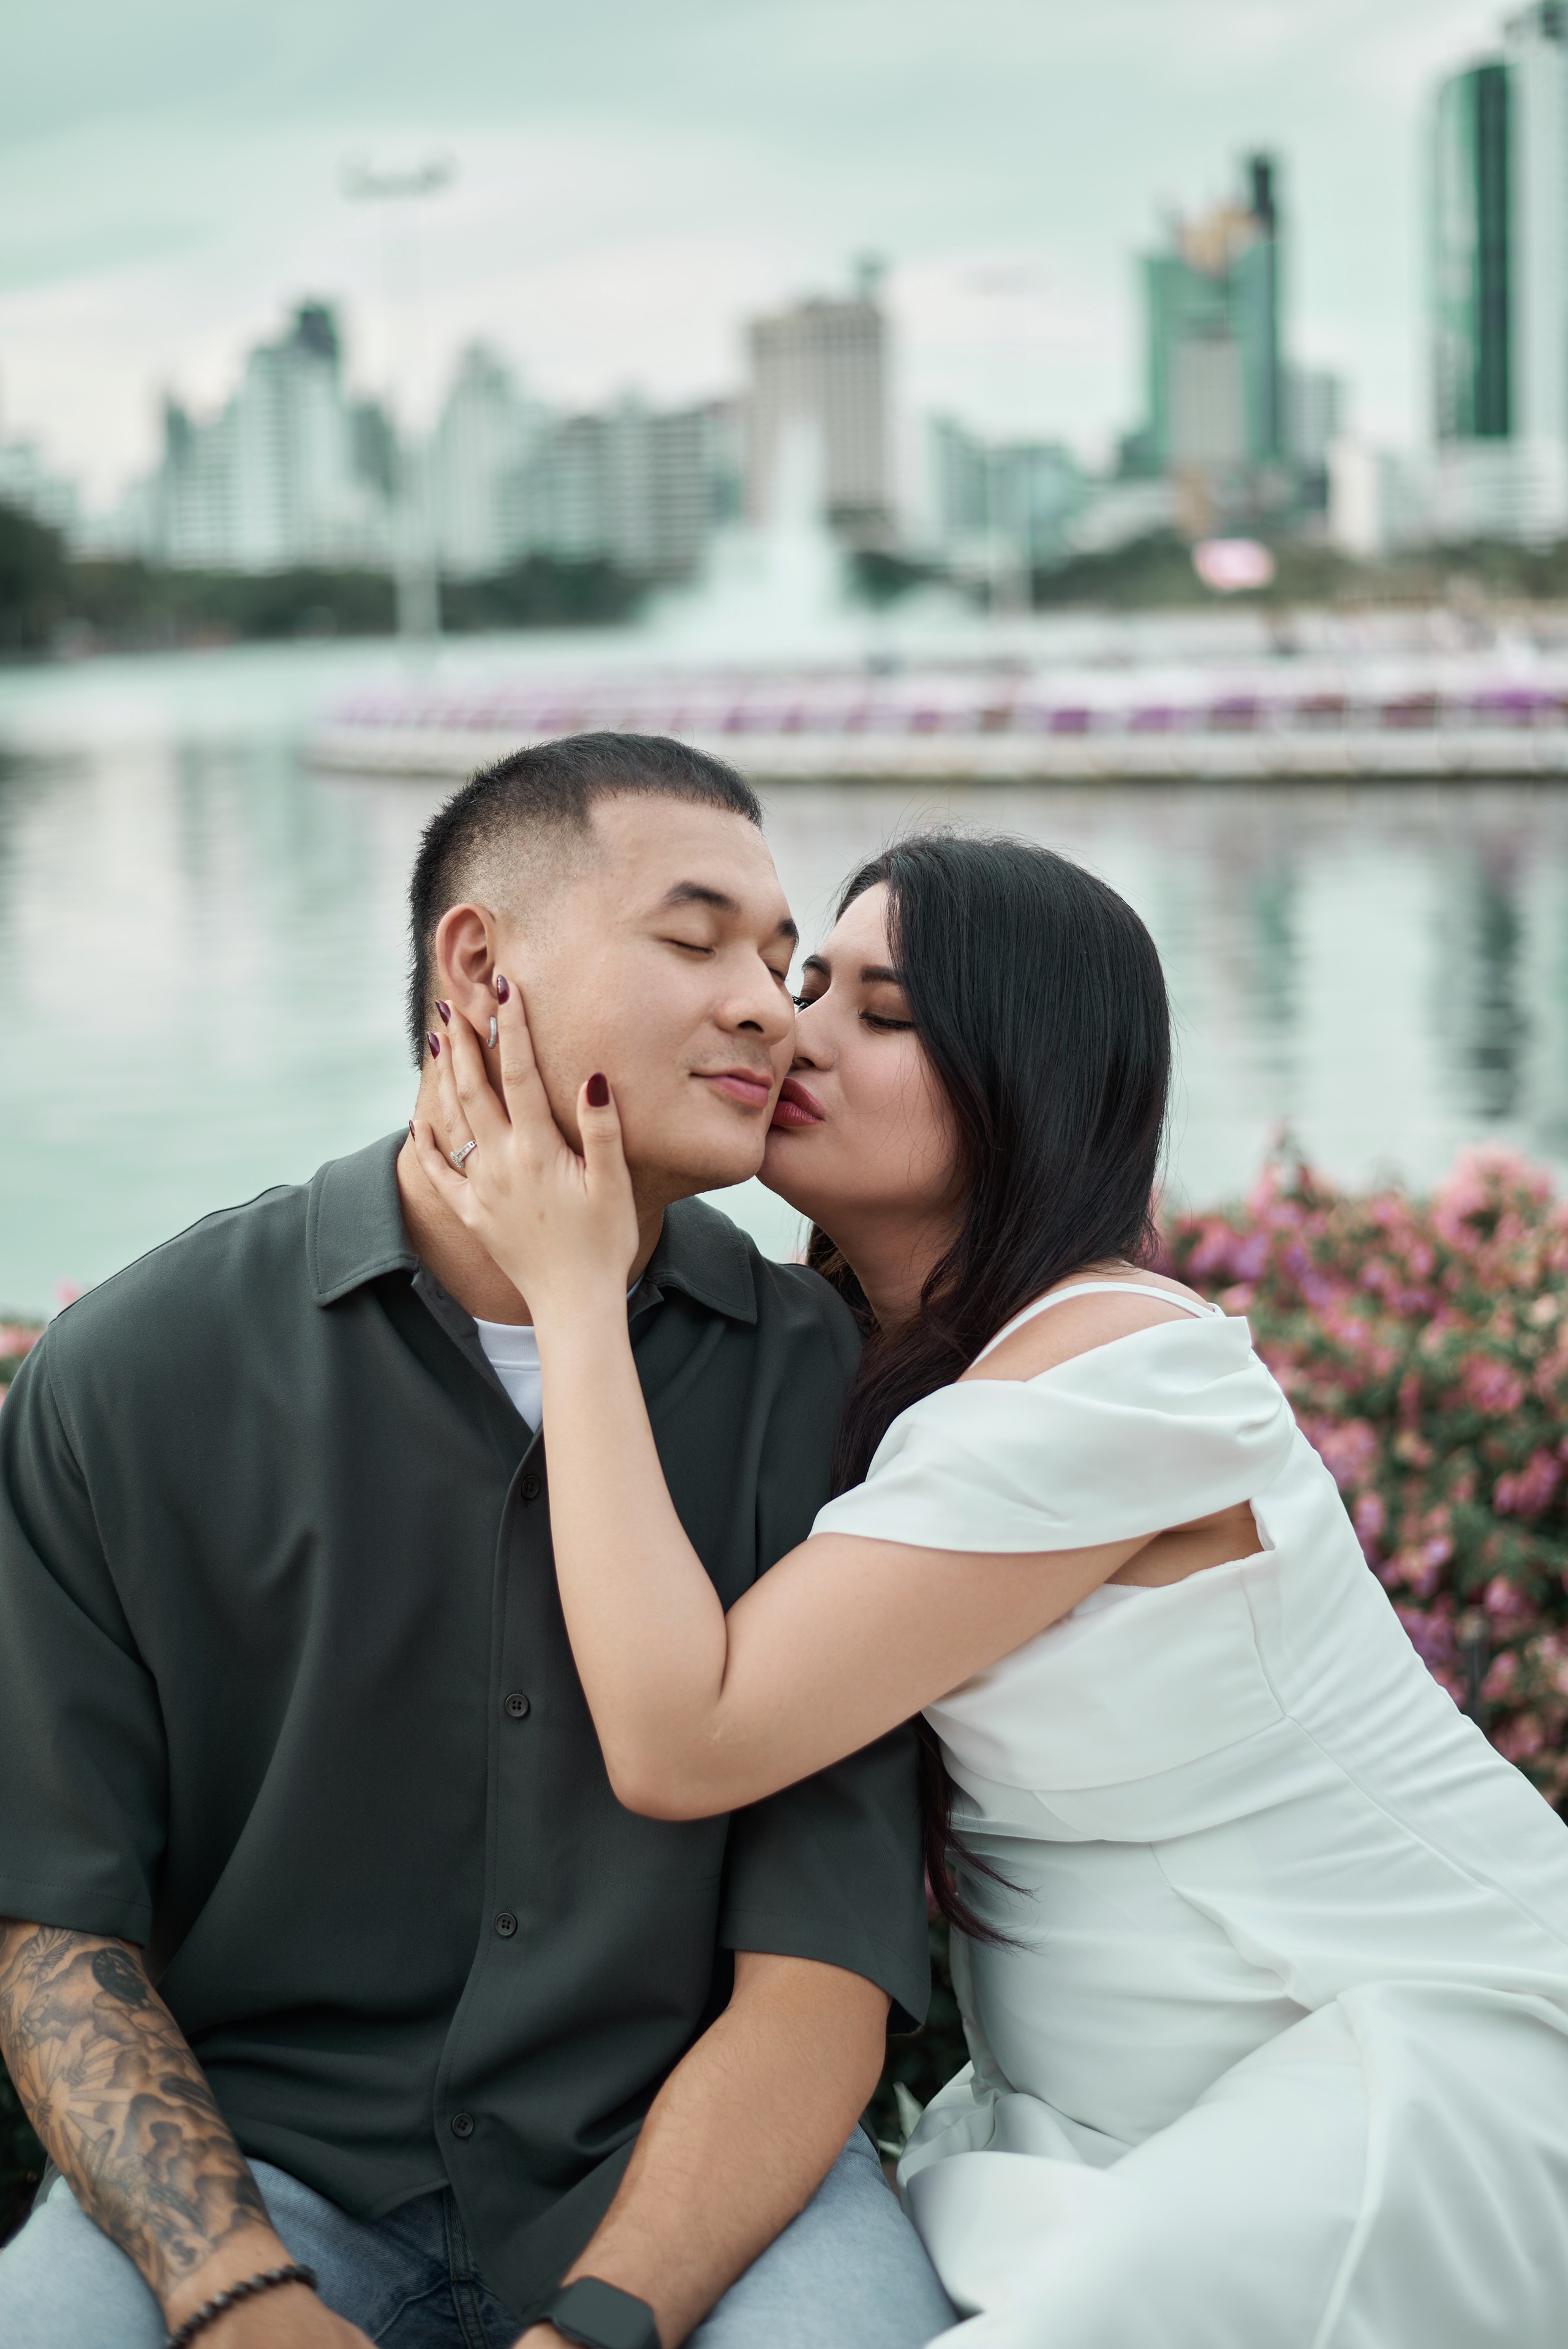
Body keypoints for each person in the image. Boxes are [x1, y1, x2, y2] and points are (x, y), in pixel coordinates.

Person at [412, 828, 1568, 2349]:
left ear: (1026, 1079)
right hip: (1105, 2110)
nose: (786, 1022)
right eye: (801, 977)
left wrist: (569, 1289)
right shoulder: (860, 1369)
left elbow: (683, 1736)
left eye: (881, 1015)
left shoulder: (1120, 1376)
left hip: (1389, 2051)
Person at [0, 735, 955, 2349]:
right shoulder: (134, 1375)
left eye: (781, 963)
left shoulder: (820, 1384)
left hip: (682, 2173)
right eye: (695, 936)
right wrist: (235, 2295)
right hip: (259, 2175)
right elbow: (56, 1924)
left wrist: (600, 2320)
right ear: (478, 961)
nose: (768, 1007)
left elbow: (818, 1977)